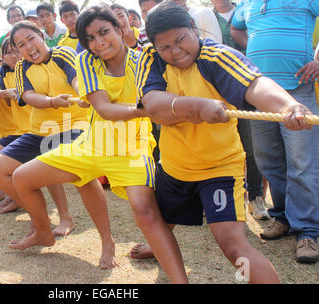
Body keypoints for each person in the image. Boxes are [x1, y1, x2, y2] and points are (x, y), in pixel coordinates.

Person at [132, 1, 315, 283]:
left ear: (194, 28)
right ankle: (158, 245)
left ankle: (160, 243)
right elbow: (153, 104)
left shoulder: (217, 57)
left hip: (219, 169)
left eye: (181, 39)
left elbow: (256, 84)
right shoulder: (149, 57)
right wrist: (198, 106)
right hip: (174, 166)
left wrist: (288, 106)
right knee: (162, 220)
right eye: (164, 47)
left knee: (232, 247)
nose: (175, 51)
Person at [9, 7, 187, 281]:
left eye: (104, 32)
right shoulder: (87, 62)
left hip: (133, 149)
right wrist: (148, 109)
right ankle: (45, 233)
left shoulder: (144, 61)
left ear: (120, 28)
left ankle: (177, 278)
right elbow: (104, 109)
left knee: (146, 212)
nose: (99, 42)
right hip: (91, 145)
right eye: (90, 38)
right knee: (22, 177)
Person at [231, 0, 319, 264]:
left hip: (299, 88)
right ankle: (282, 218)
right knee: (268, 160)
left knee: (302, 164)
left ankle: (307, 231)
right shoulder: (247, 3)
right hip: (260, 93)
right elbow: (237, 30)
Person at [0, 21, 88, 235]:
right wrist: (52, 101)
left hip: (75, 127)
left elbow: (75, 77)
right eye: (21, 45)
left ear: (41, 36)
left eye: (31, 38)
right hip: (39, 131)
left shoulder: (63, 53)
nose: (28, 46)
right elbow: (28, 96)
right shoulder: (22, 66)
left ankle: (65, 219)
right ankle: (39, 218)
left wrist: (83, 93)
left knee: (81, 177)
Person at [211, 0, 268, 220]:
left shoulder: (247, 11)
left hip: (247, 89)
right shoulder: (206, 16)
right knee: (218, 148)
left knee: (252, 149)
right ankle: (222, 201)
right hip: (215, 92)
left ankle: (255, 198)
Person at [0, 37, 31, 210]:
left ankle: (15, 199)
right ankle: (10, 196)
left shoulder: (30, 68)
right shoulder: (1, 72)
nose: (14, 55)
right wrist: (6, 92)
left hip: (33, 129)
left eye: (16, 50)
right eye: (8, 52)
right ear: (2, 56)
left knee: (6, 164)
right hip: (16, 131)